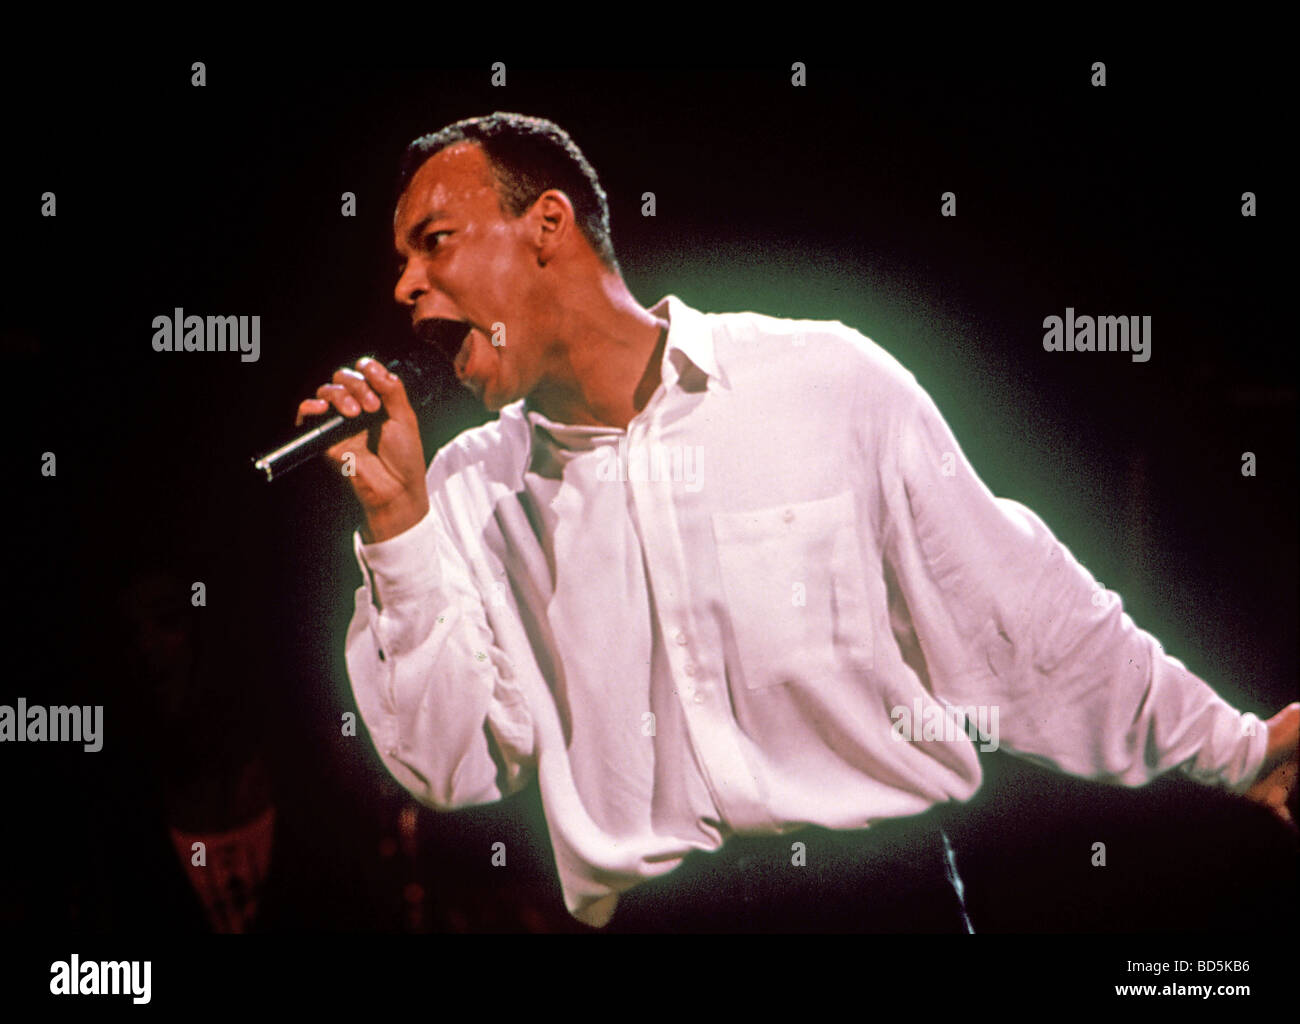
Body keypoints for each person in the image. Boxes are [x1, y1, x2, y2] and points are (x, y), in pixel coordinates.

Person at [294, 111, 1298, 931]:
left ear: (548, 223)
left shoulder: (824, 379)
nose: (404, 287)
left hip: (881, 905)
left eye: (434, 242)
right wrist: (397, 528)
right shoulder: (465, 491)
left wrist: (1237, 751)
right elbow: (453, 763)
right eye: (399, 262)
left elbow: (1020, 616)